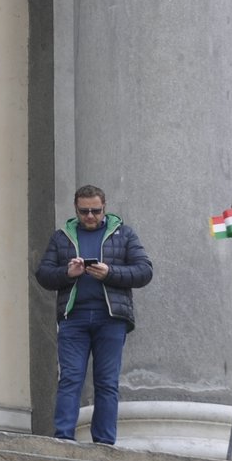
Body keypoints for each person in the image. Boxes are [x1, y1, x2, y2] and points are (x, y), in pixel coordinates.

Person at [35, 186, 153, 445]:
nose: (90, 216)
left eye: (95, 211)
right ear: (76, 209)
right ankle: (64, 438)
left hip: (111, 319)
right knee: (70, 379)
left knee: (107, 382)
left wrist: (109, 273)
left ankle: (104, 443)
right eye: (84, 211)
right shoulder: (62, 236)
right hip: (74, 318)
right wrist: (68, 274)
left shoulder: (124, 234)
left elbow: (144, 271)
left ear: (105, 208)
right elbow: (43, 274)